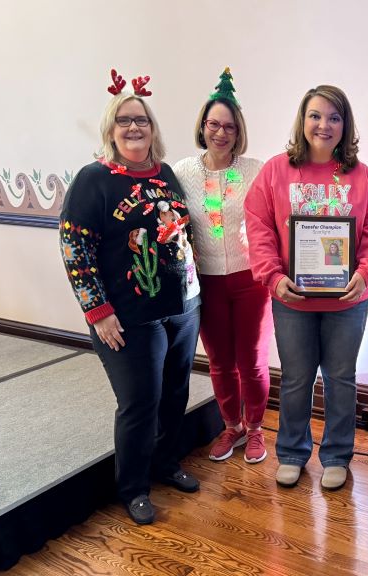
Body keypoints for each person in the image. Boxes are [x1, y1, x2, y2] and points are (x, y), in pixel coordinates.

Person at [59, 70, 202, 525]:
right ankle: (134, 486)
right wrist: (98, 312)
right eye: (124, 121)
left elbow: (182, 233)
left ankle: (165, 464)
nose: (134, 127)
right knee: (140, 401)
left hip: (181, 310)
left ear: (153, 127)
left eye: (141, 119)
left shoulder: (166, 175)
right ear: (110, 130)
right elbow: (74, 247)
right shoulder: (93, 180)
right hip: (127, 317)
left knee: (175, 393)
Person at [244, 85, 368, 490]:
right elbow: (259, 226)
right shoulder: (276, 171)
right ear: (302, 121)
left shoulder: (361, 176)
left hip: (348, 300)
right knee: (297, 377)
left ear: (345, 125)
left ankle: (337, 455)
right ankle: (291, 452)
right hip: (293, 298)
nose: (324, 125)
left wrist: (366, 271)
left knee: (341, 378)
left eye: (334, 118)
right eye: (316, 116)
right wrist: (272, 275)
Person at [174, 68, 272, 465]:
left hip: (251, 280)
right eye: (213, 124)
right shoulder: (181, 172)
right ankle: (230, 425)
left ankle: (256, 428)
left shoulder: (256, 170)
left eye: (229, 126)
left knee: (252, 359)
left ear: (238, 131)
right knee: (219, 361)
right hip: (207, 282)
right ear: (203, 126)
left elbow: (272, 222)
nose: (220, 132)